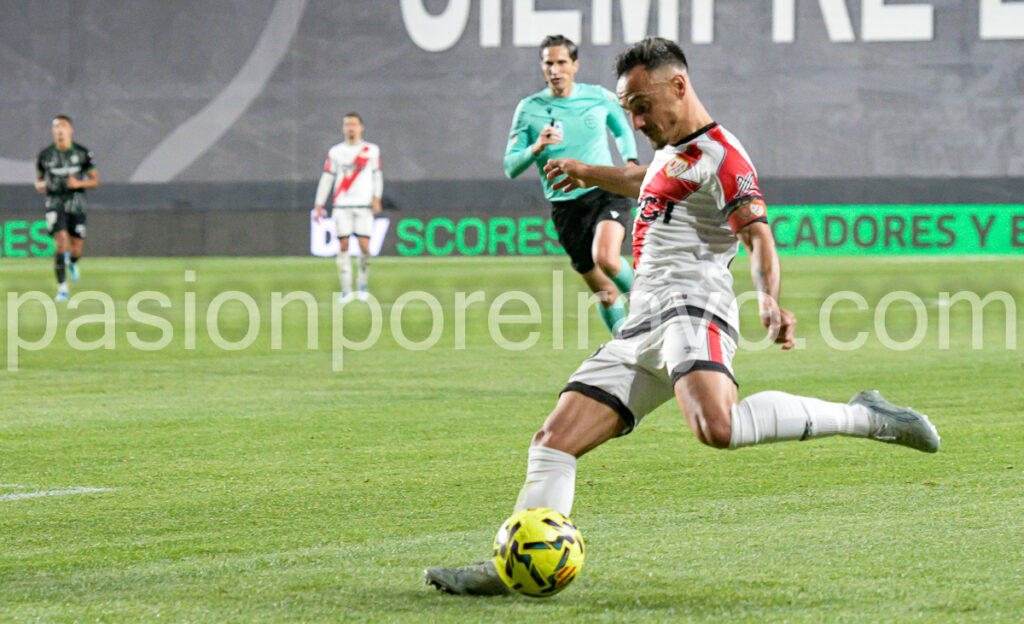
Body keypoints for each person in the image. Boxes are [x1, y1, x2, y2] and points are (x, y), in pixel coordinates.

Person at [425, 37, 940, 596]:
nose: (637, 120)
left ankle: (867, 416)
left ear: (678, 86)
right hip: (642, 320)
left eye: (642, 106)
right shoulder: (674, 151)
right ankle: (512, 567)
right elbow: (646, 181)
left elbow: (759, 235)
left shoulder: (723, 156)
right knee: (553, 440)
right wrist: (588, 171)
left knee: (717, 428)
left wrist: (768, 297)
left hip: (693, 306)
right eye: (628, 109)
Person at [504, 34, 639, 335]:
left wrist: (630, 159)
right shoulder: (528, 109)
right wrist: (535, 148)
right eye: (548, 63)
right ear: (542, 67)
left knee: (605, 257)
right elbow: (510, 166)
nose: (555, 70)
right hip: (565, 206)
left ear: (575, 65)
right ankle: (626, 347)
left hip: (604, 191)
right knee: (604, 292)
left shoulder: (597, 97)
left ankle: (653, 313)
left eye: (561, 62)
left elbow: (620, 128)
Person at [314, 112, 382, 302]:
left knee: (364, 246)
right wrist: (319, 205)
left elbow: (377, 175)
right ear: (343, 128)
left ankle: (362, 284)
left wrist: (377, 197)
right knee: (343, 245)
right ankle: (346, 290)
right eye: (347, 124)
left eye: (353, 124)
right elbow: (327, 177)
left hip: (364, 205)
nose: (350, 128)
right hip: (342, 205)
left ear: (361, 127)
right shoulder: (335, 152)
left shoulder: (371, 150)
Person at [35, 115, 99, 302]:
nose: (60, 130)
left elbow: (94, 180)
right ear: (53, 131)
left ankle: (72, 262)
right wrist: (39, 185)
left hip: (76, 204)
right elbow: (39, 179)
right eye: (56, 126)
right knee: (61, 241)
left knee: (76, 248)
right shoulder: (45, 155)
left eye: (63, 126)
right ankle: (62, 288)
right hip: (54, 203)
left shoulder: (82, 153)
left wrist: (78, 183)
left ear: (70, 130)